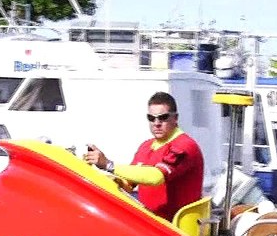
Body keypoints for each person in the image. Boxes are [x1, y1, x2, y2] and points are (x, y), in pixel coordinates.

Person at [84, 91, 204, 221]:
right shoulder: (145, 146)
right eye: (151, 118)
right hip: (149, 223)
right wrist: (102, 177)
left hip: (175, 230)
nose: (156, 123)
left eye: (163, 117)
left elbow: (156, 177)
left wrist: (108, 165)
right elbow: (128, 185)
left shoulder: (184, 146)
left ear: (175, 118)